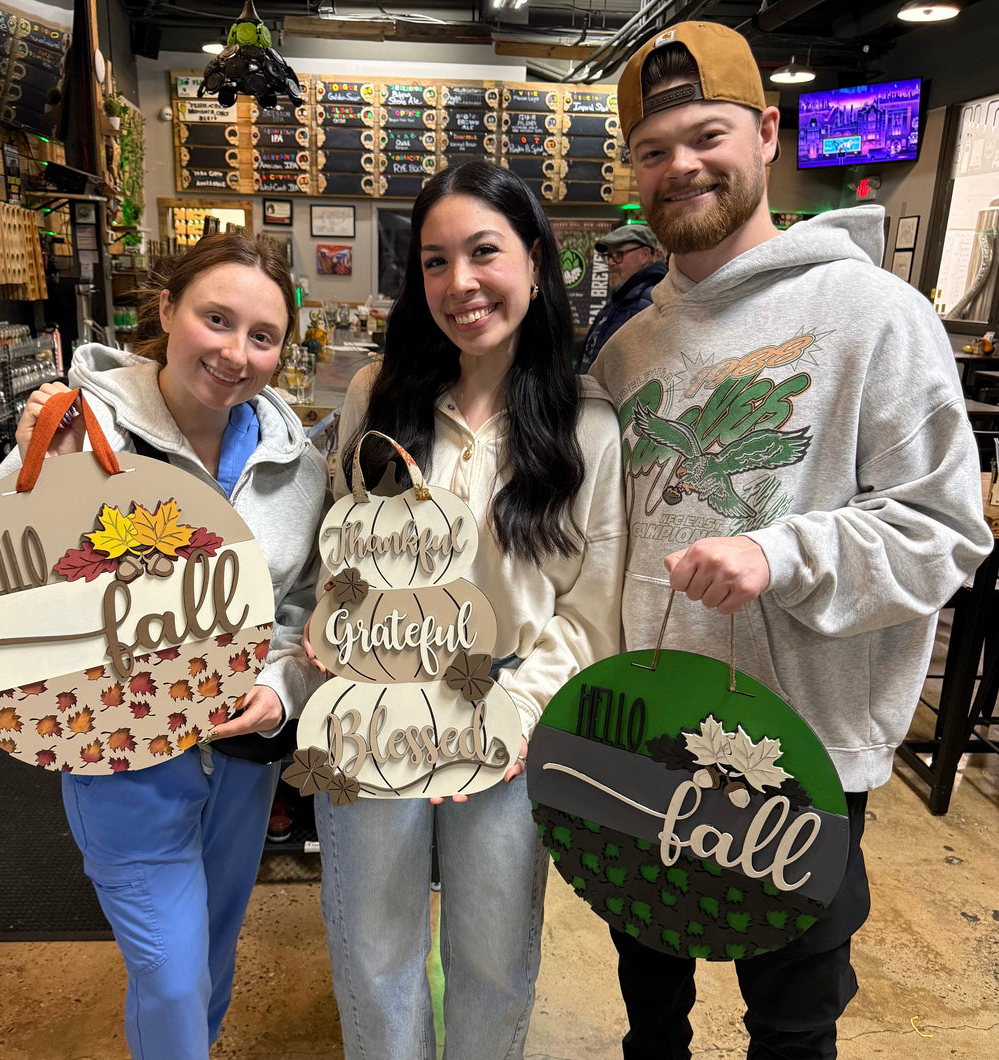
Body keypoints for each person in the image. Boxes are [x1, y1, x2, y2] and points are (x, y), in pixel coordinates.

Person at [589, 20, 993, 1060]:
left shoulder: (875, 316)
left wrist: (781, 553)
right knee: (649, 1008)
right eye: (652, 149)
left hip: (795, 750)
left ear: (766, 133)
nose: (680, 166)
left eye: (706, 136)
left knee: (791, 1024)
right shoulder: (626, 349)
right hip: (639, 728)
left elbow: (943, 530)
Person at [0, 233, 328, 1060]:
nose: (235, 353)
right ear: (167, 309)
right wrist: (42, 477)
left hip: (240, 764)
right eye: (217, 319)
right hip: (123, 757)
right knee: (171, 978)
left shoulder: (297, 463)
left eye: (262, 336)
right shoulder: (83, 426)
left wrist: (282, 685)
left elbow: (302, 601)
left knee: (208, 958)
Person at [313, 159, 626, 1060]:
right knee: (373, 951)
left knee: (494, 956)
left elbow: (590, 614)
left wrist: (511, 712)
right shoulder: (378, 395)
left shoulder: (585, 426)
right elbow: (343, 548)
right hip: (376, 705)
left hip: (511, 718)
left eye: (484, 252)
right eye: (435, 261)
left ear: (534, 259)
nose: (461, 283)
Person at [577, 222, 666, 373]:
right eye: (608, 256)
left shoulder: (651, 301)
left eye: (618, 255)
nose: (610, 263)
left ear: (644, 255)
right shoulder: (623, 297)